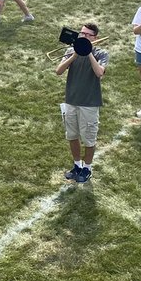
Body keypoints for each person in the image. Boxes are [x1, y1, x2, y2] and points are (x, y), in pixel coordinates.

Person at [56, 23, 108, 183]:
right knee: (72, 135)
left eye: (87, 35)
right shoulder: (70, 51)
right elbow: (58, 71)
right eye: (82, 34)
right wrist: (75, 55)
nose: (83, 36)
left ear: (95, 38)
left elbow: (99, 73)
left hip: (89, 103)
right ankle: (77, 165)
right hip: (71, 100)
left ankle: (87, 168)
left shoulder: (101, 53)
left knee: (89, 139)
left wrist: (88, 52)